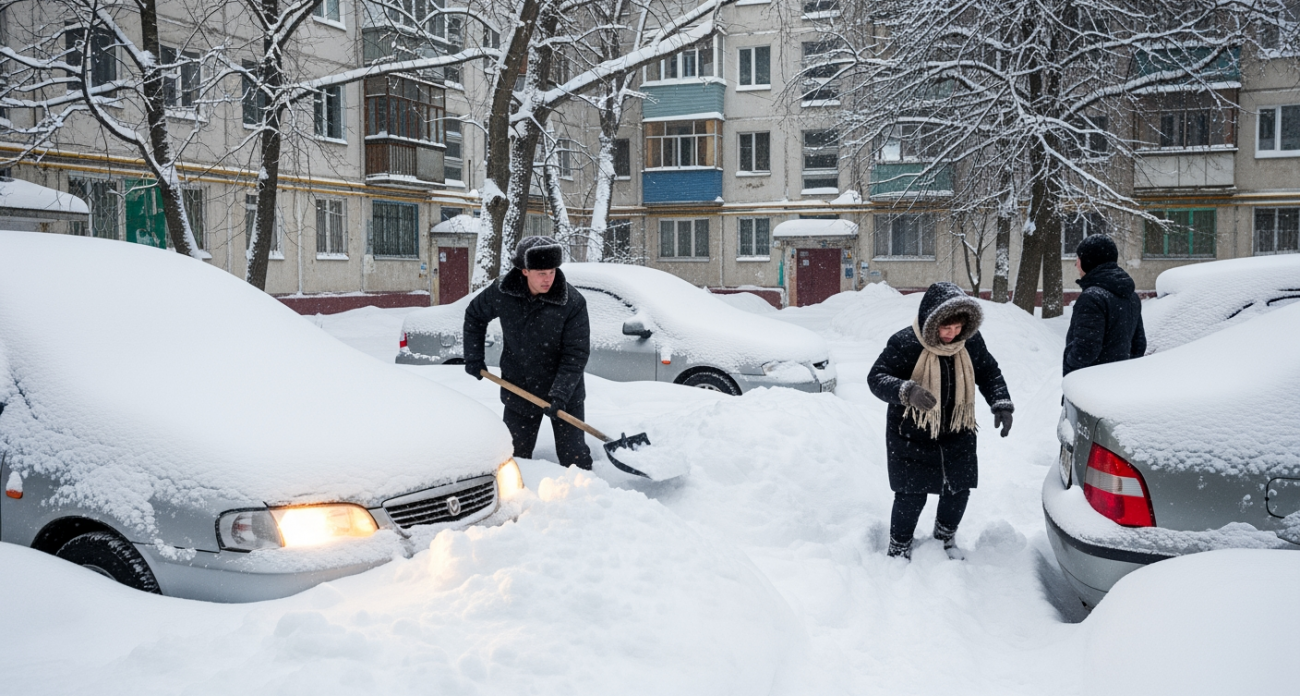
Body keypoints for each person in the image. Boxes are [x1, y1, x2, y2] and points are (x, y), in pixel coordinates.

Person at [867, 282, 1013, 560]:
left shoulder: (970, 342)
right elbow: (876, 378)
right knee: (911, 495)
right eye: (946, 327)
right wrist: (907, 391)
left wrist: (1001, 403)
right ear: (931, 321)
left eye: (958, 327)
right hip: (911, 434)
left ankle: (945, 538)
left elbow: (988, 372)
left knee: (958, 490)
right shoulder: (905, 342)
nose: (952, 334)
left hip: (958, 430)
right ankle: (899, 547)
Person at [464, 236, 593, 470]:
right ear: (524, 271)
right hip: (520, 386)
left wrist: (560, 394)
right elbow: (474, 315)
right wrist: (474, 357)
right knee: (515, 458)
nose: (548, 279)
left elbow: (576, 354)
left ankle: (588, 490)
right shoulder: (503, 292)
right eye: (541, 273)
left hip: (565, 391)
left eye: (552, 271)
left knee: (574, 456)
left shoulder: (572, 302)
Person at [1063, 234, 1146, 377]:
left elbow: (1085, 351)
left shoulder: (1092, 298)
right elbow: (1139, 346)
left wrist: (1069, 363)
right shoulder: (1131, 296)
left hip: (1090, 382)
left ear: (1089, 261)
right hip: (1119, 380)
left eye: (1078, 258)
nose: (1076, 264)